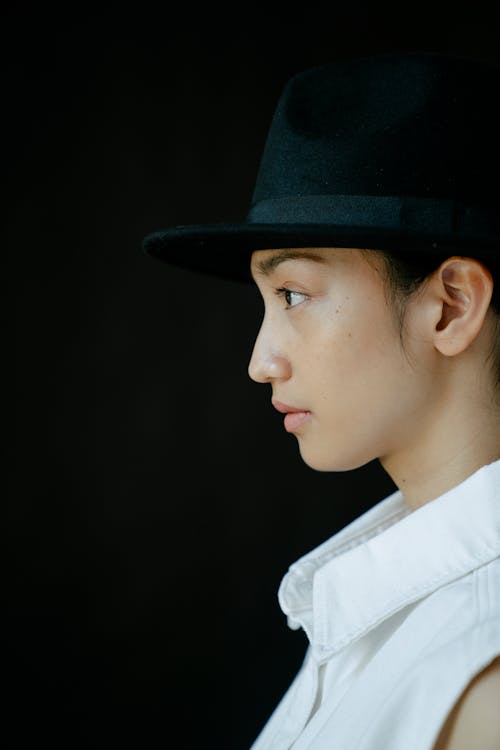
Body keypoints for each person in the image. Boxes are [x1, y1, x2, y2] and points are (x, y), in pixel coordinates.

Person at [142, 53, 500, 750]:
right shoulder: (372, 617)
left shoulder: (480, 681)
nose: (259, 361)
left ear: (451, 307)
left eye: (295, 295)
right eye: (267, 300)